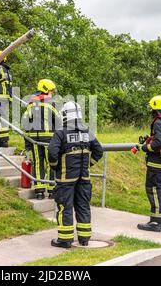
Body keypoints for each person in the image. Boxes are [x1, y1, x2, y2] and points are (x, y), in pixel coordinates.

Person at [48, 101, 103, 248]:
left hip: (66, 178)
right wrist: (88, 164)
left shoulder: (61, 132)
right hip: (84, 178)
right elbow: (99, 151)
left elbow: (52, 154)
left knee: (64, 207)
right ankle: (84, 239)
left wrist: (56, 167)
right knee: (83, 206)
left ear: (65, 115)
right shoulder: (87, 132)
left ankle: (65, 240)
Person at [135, 95, 161, 232]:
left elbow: (159, 142)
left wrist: (145, 148)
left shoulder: (158, 122)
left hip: (156, 164)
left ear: (155, 108)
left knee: (153, 189)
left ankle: (155, 222)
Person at [22, 79, 61, 200]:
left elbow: (25, 122)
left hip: (34, 139)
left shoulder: (31, 104)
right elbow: (59, 122)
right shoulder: (52, 104)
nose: (52, 93)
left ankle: (39, 191)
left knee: (38, 163)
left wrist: (27, 141)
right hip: (49, 139)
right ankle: (51, 191)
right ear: (45, 90)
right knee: (51, 163)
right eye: (51, 91)